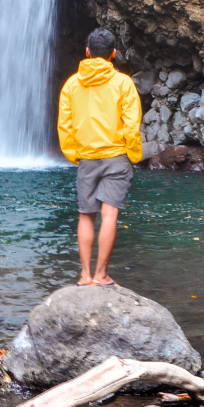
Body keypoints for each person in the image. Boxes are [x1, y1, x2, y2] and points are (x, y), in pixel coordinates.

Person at [57, 28, 142, 286]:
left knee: (85, 215)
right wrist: (133, 153)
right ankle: (101, 274)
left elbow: (65, 125)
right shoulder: (123, 83)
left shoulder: (71, 84)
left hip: (86, 158)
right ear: (113, 54)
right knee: (109, 216)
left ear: (87, 52)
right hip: (116, 155)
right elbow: (131, 124)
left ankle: (84, 276)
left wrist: (75, 154)